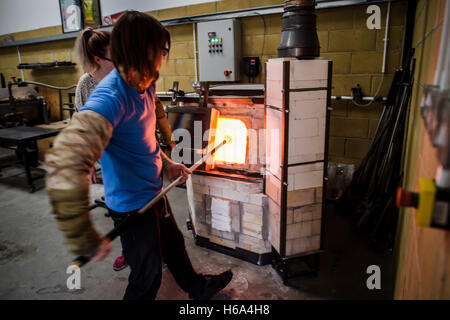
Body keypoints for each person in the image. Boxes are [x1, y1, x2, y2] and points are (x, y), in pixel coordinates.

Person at [45, 10, 232, 300]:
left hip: (153, 194)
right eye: (162, 50)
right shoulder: (109, 98)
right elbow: (64, 165)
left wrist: (167, 165)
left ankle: (198, 289)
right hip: (132, 206)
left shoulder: (145, 84)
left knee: (174, 246)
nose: (164, 57)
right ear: (145, 50)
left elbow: (142, 139)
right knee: (147, 276)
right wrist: (82, 234)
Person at [73, 26, 176, 272]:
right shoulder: (91, 88)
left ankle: (160, 253)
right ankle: (133, 252)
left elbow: (148, 122)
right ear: (98, 59)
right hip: (117, 165)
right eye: (117, 57)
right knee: (129, 215)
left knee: (158, 218)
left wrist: (167, 154)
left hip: (143, 167)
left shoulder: (132, 78)